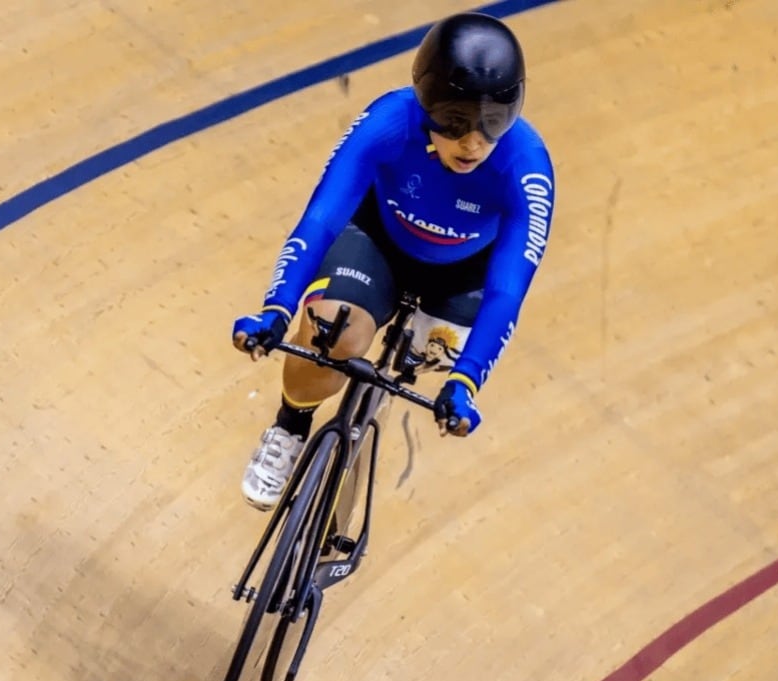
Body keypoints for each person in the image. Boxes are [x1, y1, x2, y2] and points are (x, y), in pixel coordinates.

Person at [233, 11, 555, 511]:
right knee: (331, 335)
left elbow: (507, 291)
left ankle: (378, 400)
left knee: (436, 353)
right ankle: (289, 426)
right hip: (378, 242)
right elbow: (319, 222)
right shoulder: (389, 122)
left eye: (493, 123)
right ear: (426, 103)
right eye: (455, 120)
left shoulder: (526, 165)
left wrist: (465, 382)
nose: (473, 142)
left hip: (462, 276)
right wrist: (276, 309)